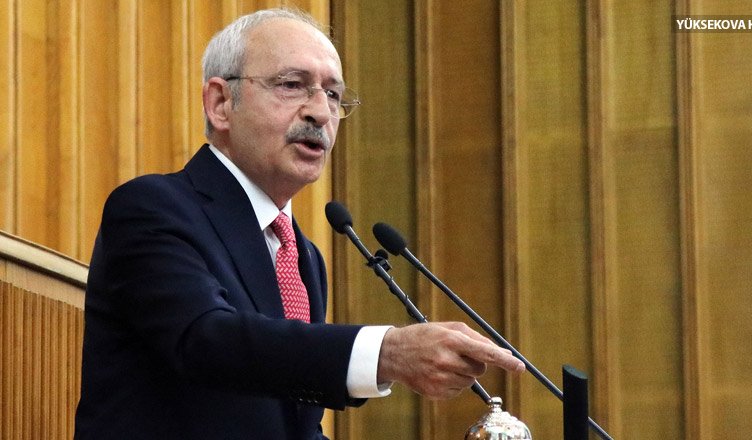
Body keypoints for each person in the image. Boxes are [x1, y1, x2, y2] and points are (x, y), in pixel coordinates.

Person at [73, 7, 524, 440]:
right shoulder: (151, 207)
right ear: (221, 103)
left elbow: (295, 427)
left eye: (333, 94)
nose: (321, 113)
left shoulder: (304, 256)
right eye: (292, 85)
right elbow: (206, 341)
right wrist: (386, 352)